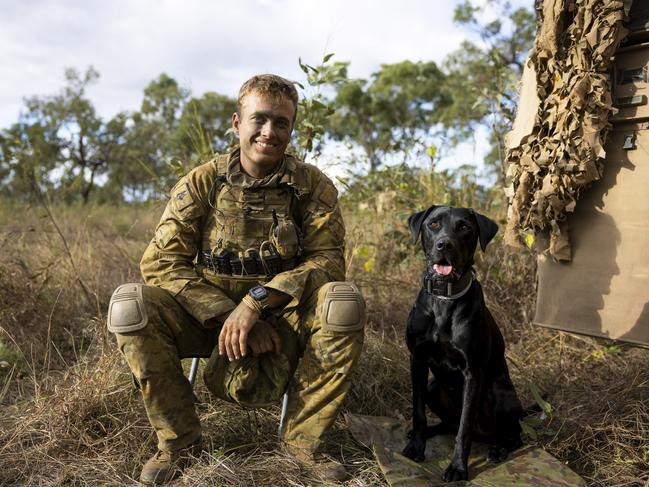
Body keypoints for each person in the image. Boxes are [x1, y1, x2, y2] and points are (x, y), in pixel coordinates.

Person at [107, 74, 365, 485]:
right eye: (259, 119)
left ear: (292, 129)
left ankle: (304, 447)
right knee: (130, 303)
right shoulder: (202, 183)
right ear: (236, 122)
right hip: (206, 321)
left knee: (342, 300)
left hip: (283, 321)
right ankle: (179, 444)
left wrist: (257, 303)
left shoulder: (313, 186)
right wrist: (229, 312)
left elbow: (327, 262)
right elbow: (161, 262)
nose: (269, 132)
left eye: (282, 123)